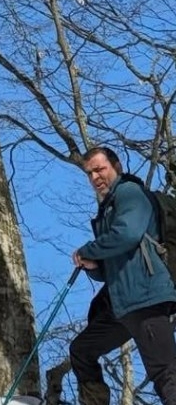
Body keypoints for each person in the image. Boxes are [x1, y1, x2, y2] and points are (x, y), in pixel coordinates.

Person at [70, 146, 176, 405]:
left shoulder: (129, 192)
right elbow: (113, 265)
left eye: (99, 169)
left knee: (165, 372)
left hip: (147, 297)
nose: (95, 177)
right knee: (82, 350)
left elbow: (127, 234)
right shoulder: (106, 210)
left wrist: (88, 249)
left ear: (116, 167)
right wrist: (94, 266)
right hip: (122, 305)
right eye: (89, 173)